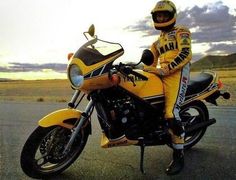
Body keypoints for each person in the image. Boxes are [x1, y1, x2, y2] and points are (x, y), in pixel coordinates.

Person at [144, 0, 192, 175]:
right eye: (158, 15)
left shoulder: (182, 32)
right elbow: (149, 61)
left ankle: (179, 154)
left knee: (171, 113)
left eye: (164, 14)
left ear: (172, 16)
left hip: (177, 76)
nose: (161, 17)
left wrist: (166, 69)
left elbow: (186, 53)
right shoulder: (157, 42)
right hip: (162, 75)